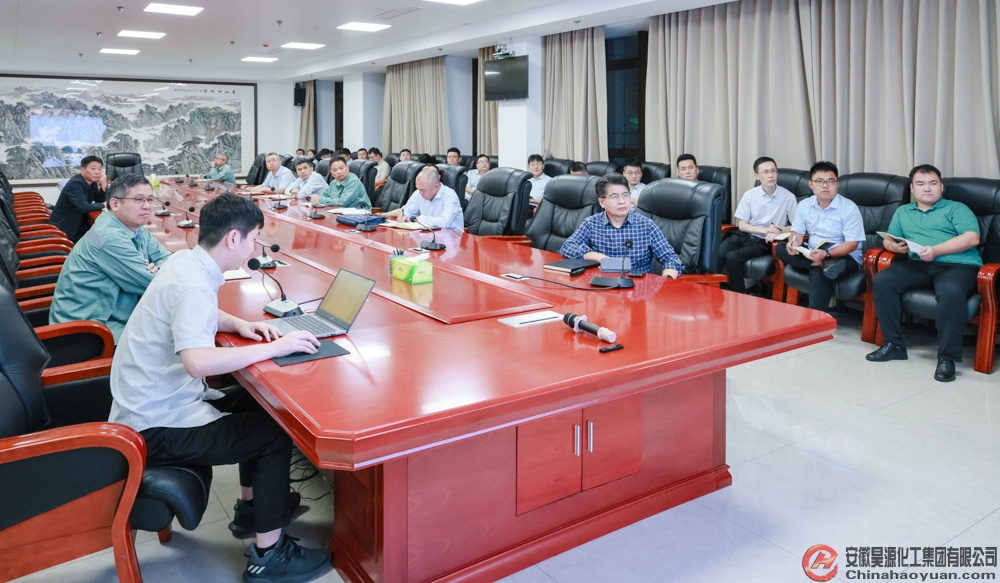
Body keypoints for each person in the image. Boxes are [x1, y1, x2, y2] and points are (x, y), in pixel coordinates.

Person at [108, 192, 331, 583]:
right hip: (155, 425)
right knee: (273, 434)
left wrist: (239, 325)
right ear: (233, 238)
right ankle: (269, 557)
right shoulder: (194, 284)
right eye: (253, 239)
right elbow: (197, 362)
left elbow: (199, 312)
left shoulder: (187, 262)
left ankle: (251, 512)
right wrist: (276, 347)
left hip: (153, 404)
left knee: (258, 403)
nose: (254, 247)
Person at [866, 164, 982, 383]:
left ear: (941, 187)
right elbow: (889, 238)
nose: (927, 189)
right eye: (920, 184)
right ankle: (893, 344)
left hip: (957, 265)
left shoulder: (956, 208)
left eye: (932, 183)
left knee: (951, 291)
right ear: (912, 188)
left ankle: (947, 358)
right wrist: (893, 246)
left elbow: (971, 238)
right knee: (883, 280)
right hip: (918, 263)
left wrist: (936, 250)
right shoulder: (903, 212)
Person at [49, 174, 170, 342]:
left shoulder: (132, 226)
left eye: (150, 200)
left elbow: (166, 258)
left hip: (112, 314)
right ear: (115, 204)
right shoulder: (109, 237)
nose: (147, 206)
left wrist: (159, 268)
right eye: (139, 200)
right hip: (89, 329)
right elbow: (155, 286)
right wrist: (156, 272)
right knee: (174, 336)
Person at [774, 161, 865, 311]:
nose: (825, 186)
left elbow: (852, 244)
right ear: (811, 184)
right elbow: (797, 233)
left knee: (819, 271)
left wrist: (827, 254)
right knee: (781, 248)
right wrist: (793, 244)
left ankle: (816, 318)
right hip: (813, 252)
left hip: (844, 256)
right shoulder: (804, 205)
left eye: (831, 181)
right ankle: (817, 263)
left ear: (837, 184)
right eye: (820, 181)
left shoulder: (849, 208)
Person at [560, 173, 684, 278]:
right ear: (601, 202)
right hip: (603, 286)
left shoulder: (646, 225)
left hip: (639, 289)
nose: (622, 201)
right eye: (614, 196)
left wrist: (666, 280)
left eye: (625, 195)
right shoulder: (592, 223)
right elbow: (567, 247)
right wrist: (599, 257)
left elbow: (671, 259)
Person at [718, 156, 797, 293]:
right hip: (742, 235)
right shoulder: (750, 195)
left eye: (774, 171)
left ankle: (740, 295)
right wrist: (766, 230)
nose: (771, 175)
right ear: (757, 175)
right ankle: (716, 291)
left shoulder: (788, 197)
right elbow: (742, 225)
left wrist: (780, 230)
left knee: (733, 257)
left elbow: (797, 227)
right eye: (766, 172)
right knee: (718, 253)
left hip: (762, 242)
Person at [381, 166, 464, 231]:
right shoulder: (419, 194)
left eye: (422, 190)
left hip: (451, 238)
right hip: (428, 235)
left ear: (436, 186)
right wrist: (404, 216)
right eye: (418, 189)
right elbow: (409, 211)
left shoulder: (450, 196)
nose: (420, 192)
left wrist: (419, 219)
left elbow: (444, 222)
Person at [49, 155, 108, 242]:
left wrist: (103, 185)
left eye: (100, 169)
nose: (97, 172)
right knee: (99, 240)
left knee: (101, 237)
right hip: (65, 230)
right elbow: (84, 207)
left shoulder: (92, 183)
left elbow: (99, 200)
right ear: (82, 170)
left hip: (78, 225)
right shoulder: (76, 183)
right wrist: (104, 205)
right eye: (93, 168)